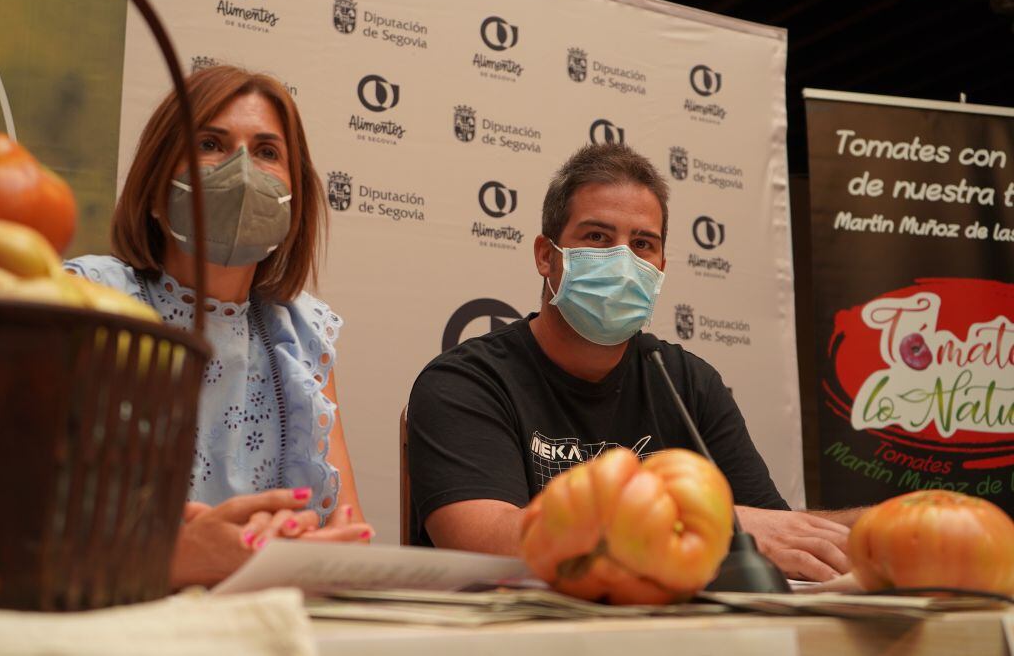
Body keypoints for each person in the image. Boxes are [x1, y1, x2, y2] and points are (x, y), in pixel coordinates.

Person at [407, 143, 859, 582]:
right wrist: (708, 523)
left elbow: (775, 531)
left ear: (661, 266)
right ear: (547, 256)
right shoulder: (466, 382)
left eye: (642, 244)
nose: (623, 260)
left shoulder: (687, 382)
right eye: (598, 237)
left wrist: (894, 525)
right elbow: (484, 543)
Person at [66, 66, 371, 575]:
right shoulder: (88, 297)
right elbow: (5, 514)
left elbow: (349, 537)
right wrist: (175, 557)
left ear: (295, 199)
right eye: (211, 143)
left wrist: (290, 546)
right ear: (158, 181)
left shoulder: (301, 335)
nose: (242, 170)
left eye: (268, 152)